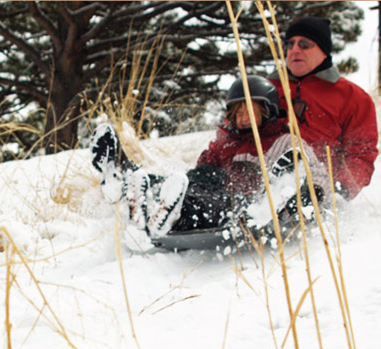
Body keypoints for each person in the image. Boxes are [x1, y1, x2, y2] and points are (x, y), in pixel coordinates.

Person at [91, 75, 329, 239]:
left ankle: (273, 200)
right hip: (213, 197)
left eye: (251, 110)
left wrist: (310, 194)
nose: (244, 117)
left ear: (267, 111)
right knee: (197, 180)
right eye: (239, 112)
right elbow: (197, 178)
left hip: (245, 207)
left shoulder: (286, 142)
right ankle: (127, 178)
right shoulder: (225, 143)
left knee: (219, 197)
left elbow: (318, 177)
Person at [270, 16, 378, 198]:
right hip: (260, 187)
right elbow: (233, 136)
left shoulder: (353, 98)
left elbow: (361, 153)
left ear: (324, 51)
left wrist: (341, 189)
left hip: (318, 192)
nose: (294, 50)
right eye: (290, 44)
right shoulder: (263, 90)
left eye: (304, 44)